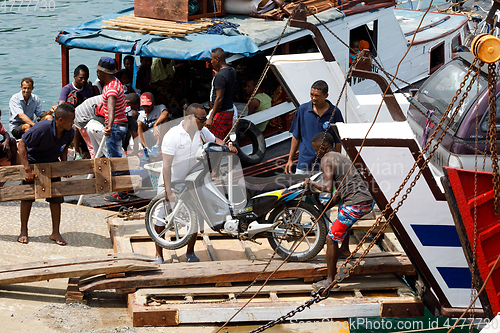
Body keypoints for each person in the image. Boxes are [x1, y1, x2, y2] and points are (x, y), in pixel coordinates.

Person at [154, 103, 237, 264]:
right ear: (190, 118)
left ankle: (190, 252)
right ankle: (159, 254)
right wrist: (168, 190)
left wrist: (228, 147)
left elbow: (216, 141)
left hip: (192, 181)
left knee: (196, 214)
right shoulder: (173, 135)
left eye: (206, 118)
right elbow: (166, 165)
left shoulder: (202, 132)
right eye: (202, 119)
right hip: (171, 179)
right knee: (160, 214)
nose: (206, 122)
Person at [304, 133, 374, 291]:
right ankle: (344, 250)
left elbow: (328, 187)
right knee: (342, 212)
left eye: (316, 150)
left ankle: (330, 281)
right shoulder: (341, 157)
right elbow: (337, 194)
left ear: (323, 147)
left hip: (356, 203)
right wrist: (323, 210)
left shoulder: (326, 159)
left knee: (331, 238)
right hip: (366, 201)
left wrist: (311, 183)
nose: (316, 153)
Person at [17, 103, 76, 246]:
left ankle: (55, 232)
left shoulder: (70, 132)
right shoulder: (41, 129)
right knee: (27, 197)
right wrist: (27, 170)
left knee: (56, 199)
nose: (73, 123)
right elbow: (21, 145)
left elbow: (64, 147)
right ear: (60, 120)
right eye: (70, 120)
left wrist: (64, 166)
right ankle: (23, 230)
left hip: (52, 164)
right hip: (33, 162)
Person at [285, 80, 344, 175]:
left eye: (317, 96)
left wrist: (337, 162)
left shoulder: (335, 112)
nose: (313, 98)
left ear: (326, 96)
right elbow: (296, 137)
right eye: (311, 94)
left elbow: (338, 140)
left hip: (325, 165)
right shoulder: (302, 110)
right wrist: (290, 159)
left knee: (325, 189)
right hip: (304, 165)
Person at [96, 57, 130, 202]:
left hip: (115, 126)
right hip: (121, 124)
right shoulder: (116, 82)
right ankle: (126, 187)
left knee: (115, 159)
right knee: (118, 157)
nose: (97, 72)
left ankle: (121, 193)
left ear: (103, 72)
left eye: (98, 70)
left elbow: (111, 107)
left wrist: (109, 125)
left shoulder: (110, 88)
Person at [206, 48, 236, 140]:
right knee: (225, 137)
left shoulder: (220, 76)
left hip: (221, 112)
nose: (211, 62)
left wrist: (211, 117)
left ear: (217, 59)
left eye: (212, 59)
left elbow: (219, 98)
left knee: (215, 139)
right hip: (229, 110)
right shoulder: (232, 71)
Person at [73, 95, 104, 159]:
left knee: (94, 145)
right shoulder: (111, 99)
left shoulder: (106, 95)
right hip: (82, 118)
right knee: (92, 145)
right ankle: (95, 163)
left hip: (81, 114)